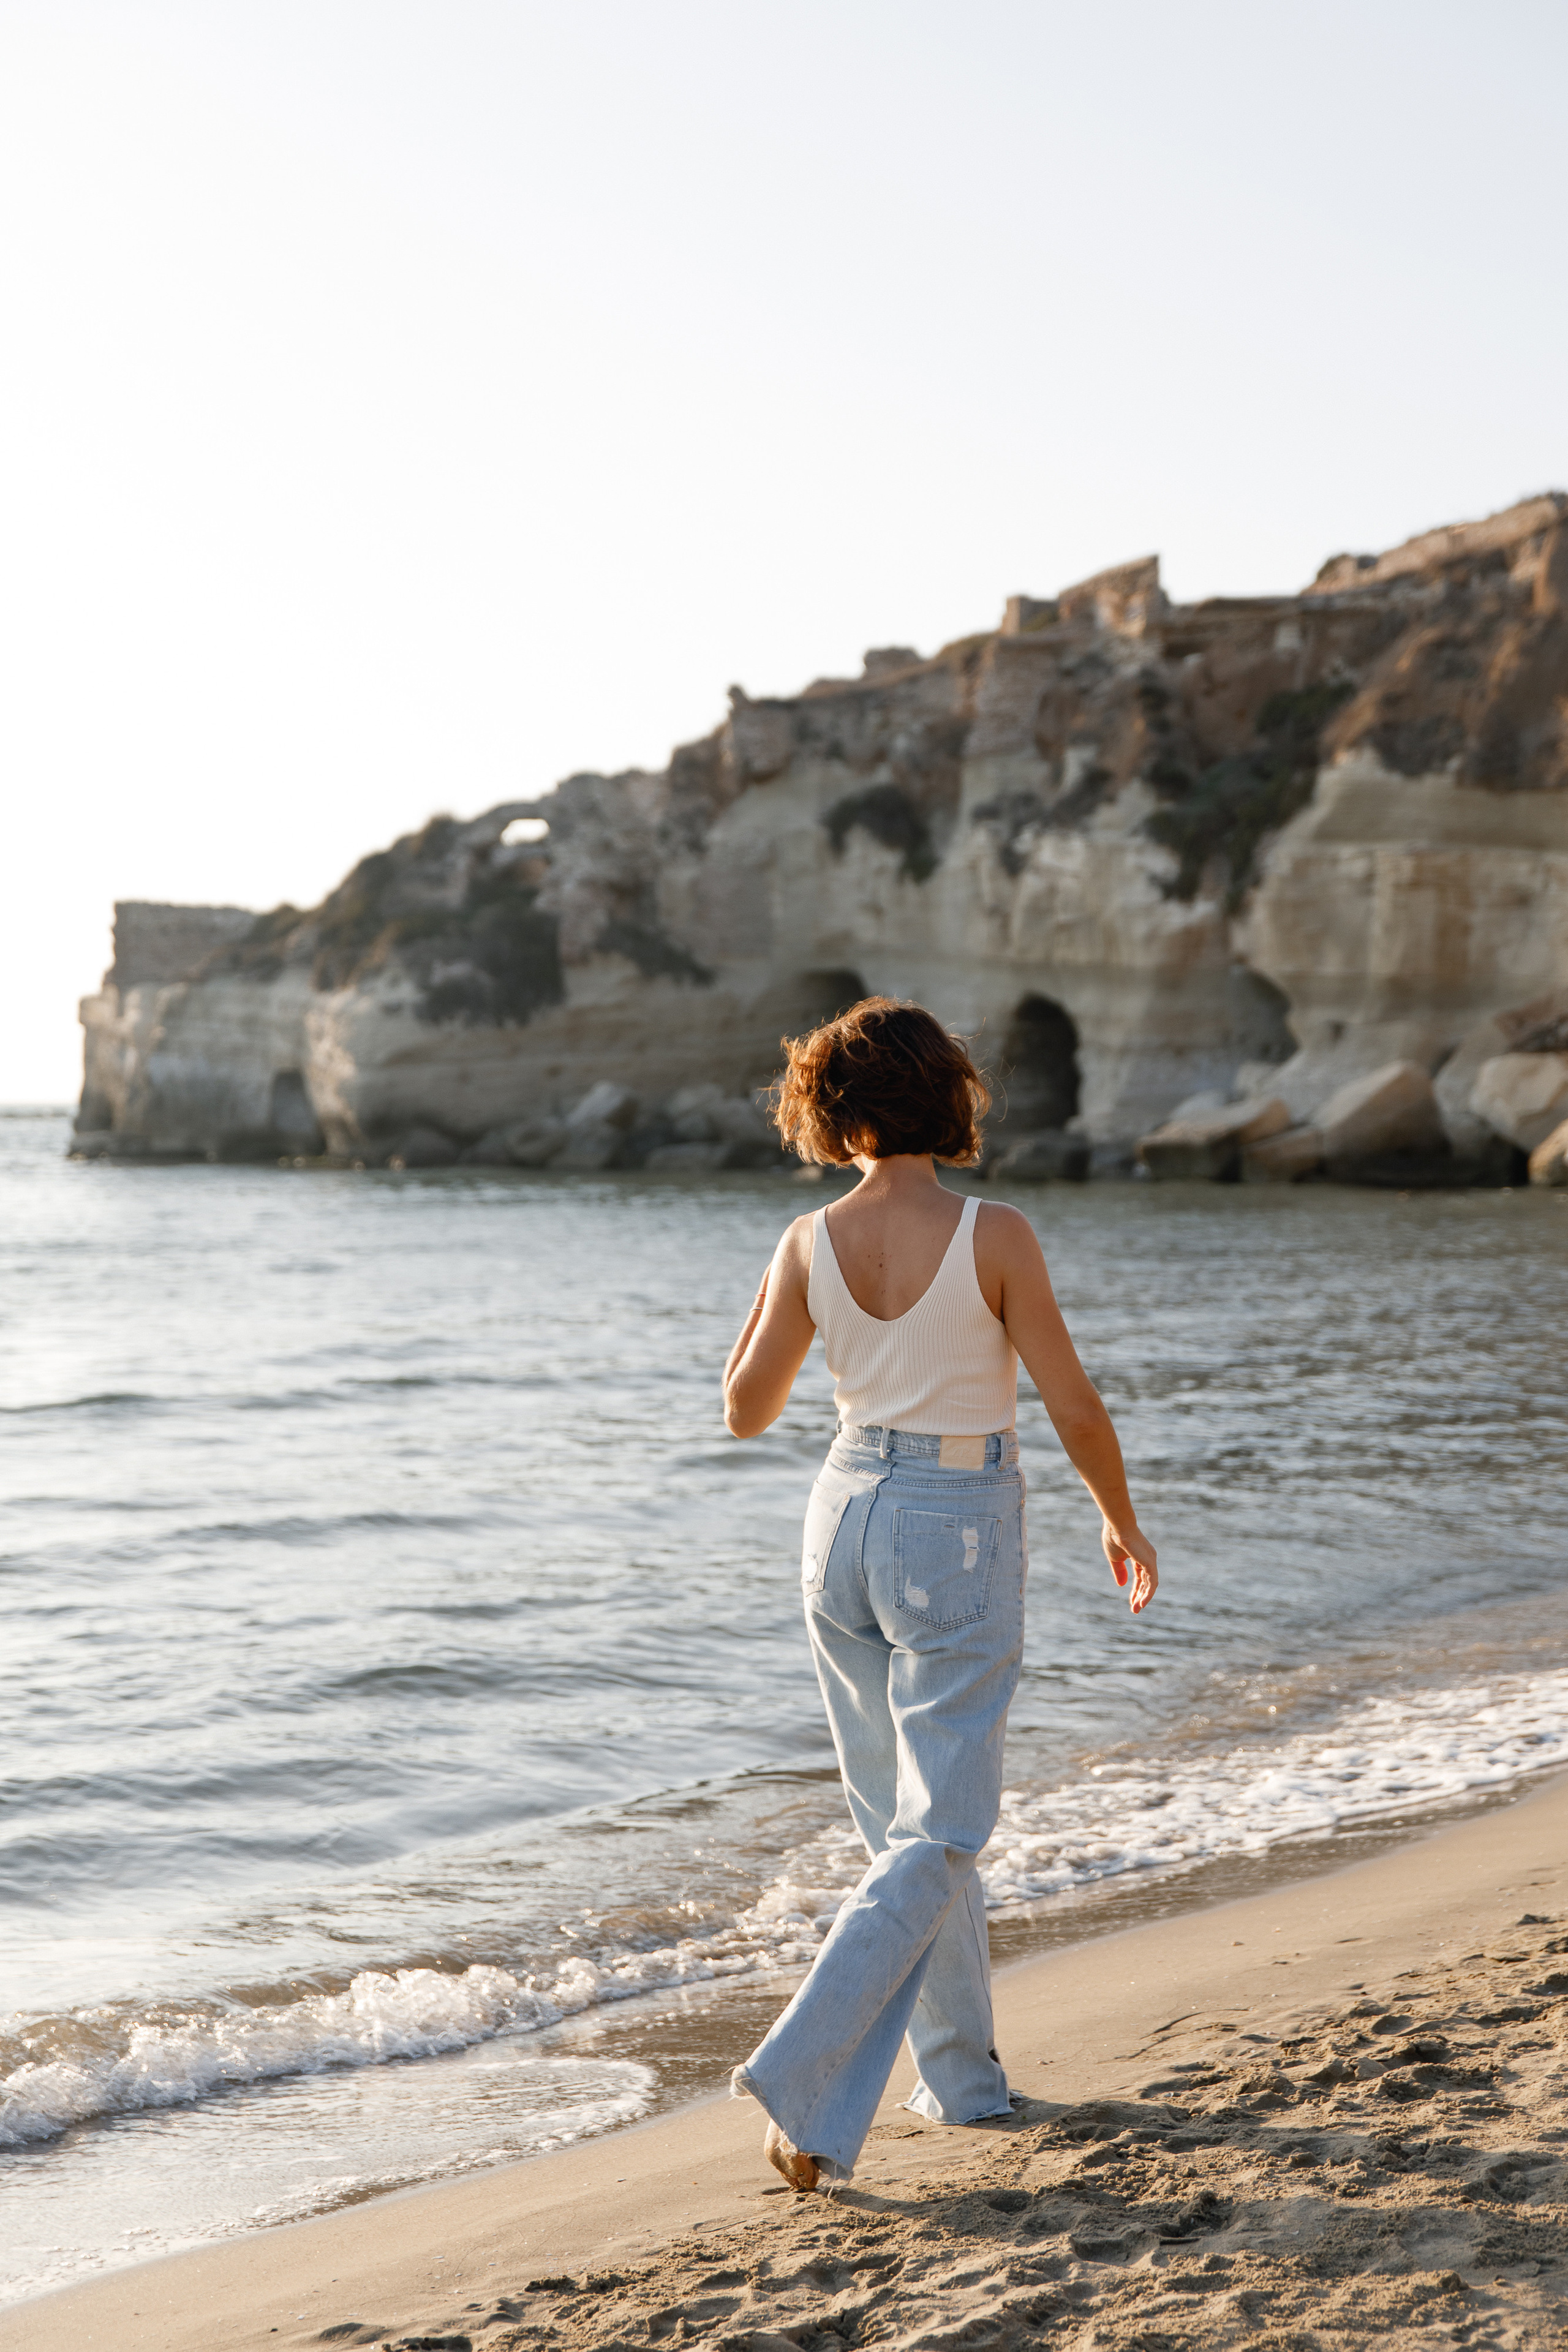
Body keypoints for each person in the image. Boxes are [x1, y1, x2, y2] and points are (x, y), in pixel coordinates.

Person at [722, 996, 1158, 2193]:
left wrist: (774, 1292)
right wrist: (1120, 1520)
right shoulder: (995, 1232)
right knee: (939, 1828)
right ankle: (802, 2078)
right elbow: (1070, 1405)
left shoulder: (804, 1239)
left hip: (840, 1518)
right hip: (950, 1526)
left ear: (829, 1107)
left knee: (905, 1831)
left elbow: (744, 1409)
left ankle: (961, 2085)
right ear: (944, 1096)